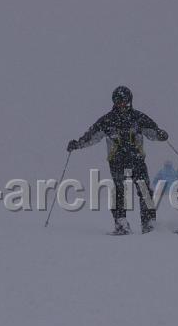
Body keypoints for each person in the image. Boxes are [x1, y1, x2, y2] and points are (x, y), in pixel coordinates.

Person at [67, 86, 169, 235]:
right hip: (117, 162)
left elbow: (152, 131)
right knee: (120, 191)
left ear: (130, 101)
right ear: (114, 102)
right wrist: (78, 144)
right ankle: (121, 223)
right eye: (118, 101)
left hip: (137, 161)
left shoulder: (138, 118)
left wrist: (160, 134)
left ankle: (149, 224)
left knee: (145, 190)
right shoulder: (107, 120)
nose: (121, 104)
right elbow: (92, 136)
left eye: (124, 101)